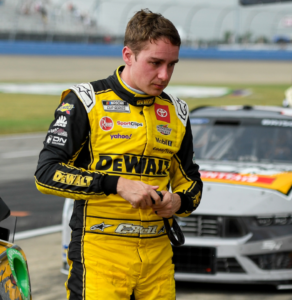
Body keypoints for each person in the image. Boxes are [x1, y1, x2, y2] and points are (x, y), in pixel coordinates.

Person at [35, 8, 202, 300]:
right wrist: (116, 184)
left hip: (157, 259)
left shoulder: (177, 111)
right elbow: (46, 173)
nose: (164, 75)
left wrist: (179, 201)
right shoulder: (86, 101)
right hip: (100, 253)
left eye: (172, 65)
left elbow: (192, 183)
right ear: (128, 55)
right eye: (155, 63)